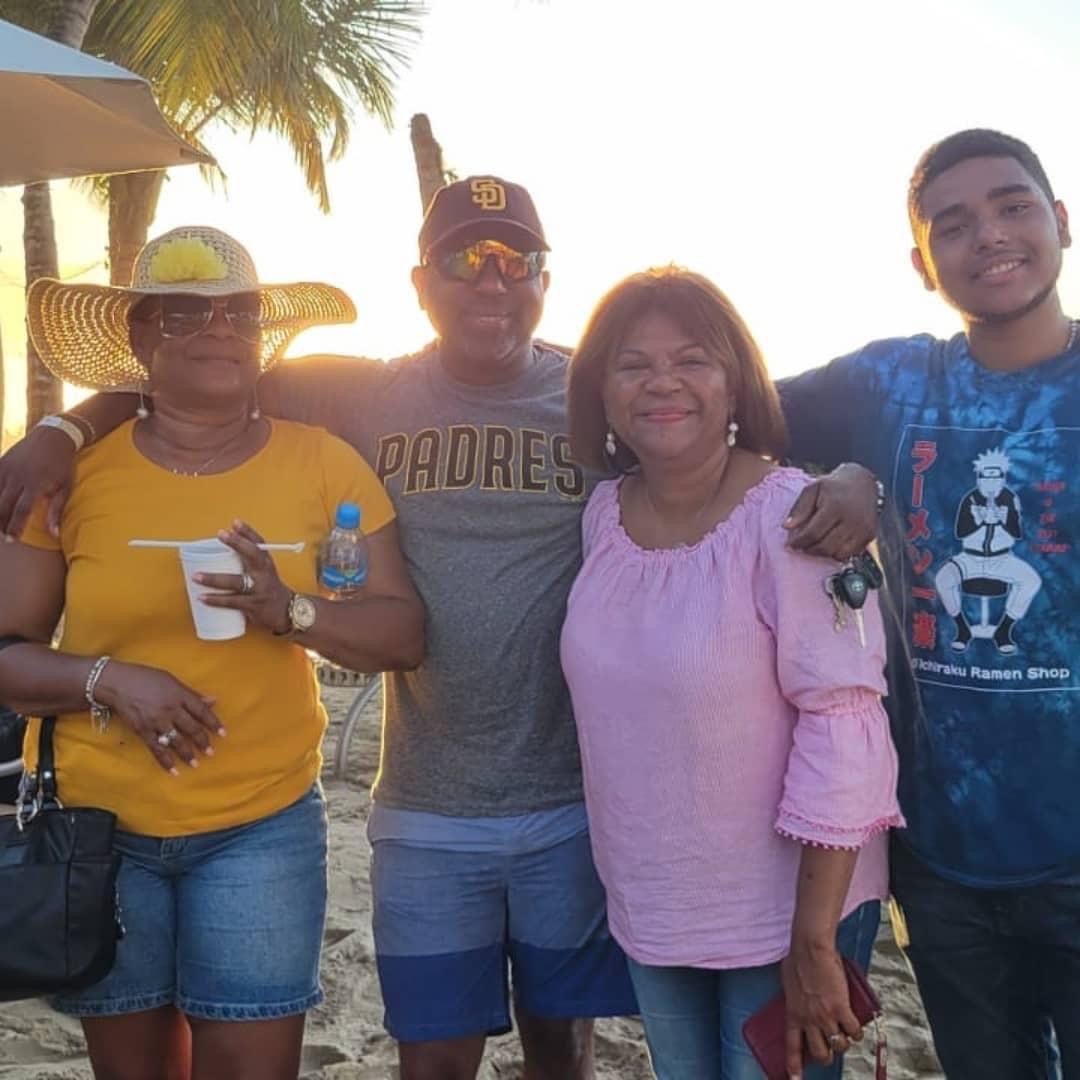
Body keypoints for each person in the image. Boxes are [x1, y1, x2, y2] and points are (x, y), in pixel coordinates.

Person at [0, 179, 878, 1080]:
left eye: (516, 260)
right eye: (465, 259)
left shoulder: (603, 393)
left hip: (575, 805)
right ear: (420, 283)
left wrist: (855, 478)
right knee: (432, 1059)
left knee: (561, 1052)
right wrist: (65, 427)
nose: (491, 281)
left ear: (545, 279)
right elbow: (188, 384)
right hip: (423, 804)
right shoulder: (358, 396)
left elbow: (752, 427)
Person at [0, 225, 424, 1080]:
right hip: (101, 831)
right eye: (186, 314)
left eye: (239, 312)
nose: (218, 330)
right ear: (141, 338)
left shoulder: (325, 464)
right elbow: (6, 652)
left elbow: (402, 633)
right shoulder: (71, 478)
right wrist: (111, 682)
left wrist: (290, 608)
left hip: (259, 827)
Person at [778, 129, 1080, 1078]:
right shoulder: (891, 382)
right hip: (943, 866)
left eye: (1013, 206)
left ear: (1061, 223)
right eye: (954, 225)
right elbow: (710, 401)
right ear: (922, 264)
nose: (990, 235)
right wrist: (848, 465)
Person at [560, 266, 903, 1080]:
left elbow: (845, 727)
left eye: (692, 359)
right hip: (655, 903)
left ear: (736, 381)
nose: (662, 382)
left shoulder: (795, 518)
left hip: (787, 914)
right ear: (601, 393)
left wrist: (814, 941)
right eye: (632, 364)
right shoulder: (603, 515)